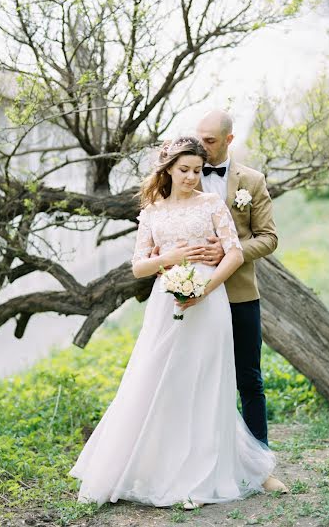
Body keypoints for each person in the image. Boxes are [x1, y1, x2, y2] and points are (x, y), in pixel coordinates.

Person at [69, 136, 276, 510]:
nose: (192, 177)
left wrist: (205, 288)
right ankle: (154, 467)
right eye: (185, 170)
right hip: (167, 303)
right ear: (167, 169)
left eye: (197, 170)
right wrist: (174, 256)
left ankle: (200, 473)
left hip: (209, 302)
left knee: (205, 381)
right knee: (158, 378)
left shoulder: (212, 204)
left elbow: (232, 254)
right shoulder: (151, 211)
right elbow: (138, 266)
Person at [194, 109, 288, 493]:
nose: (202, 147)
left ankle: (260, 467)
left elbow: (268, 237)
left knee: (249, 379)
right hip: (195, 296)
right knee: (197, 380)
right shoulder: (183, 175)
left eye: (210, 141)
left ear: (229, 140)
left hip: (239, 295)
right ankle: (202, 464)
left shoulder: (252, 180)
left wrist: (230, 250)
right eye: (199, 138)